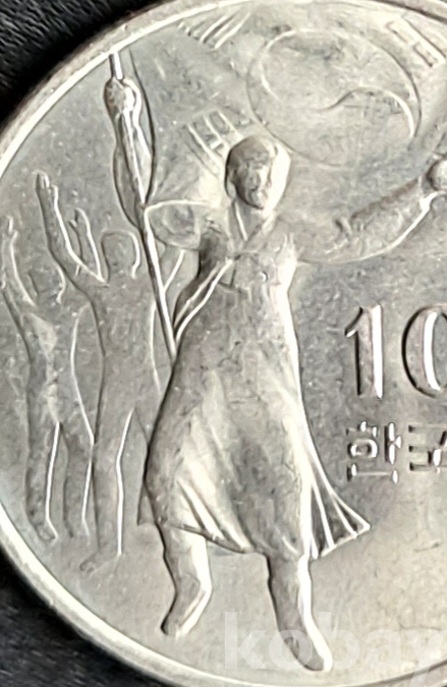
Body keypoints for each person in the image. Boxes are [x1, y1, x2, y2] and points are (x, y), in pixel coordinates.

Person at [35, 174, 156, 572]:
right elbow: (64, 255)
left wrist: (157, 210)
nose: (115, 257)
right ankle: (109, 547)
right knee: (104, 461)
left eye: (120, 251)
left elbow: (172, 248)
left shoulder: (147, 286)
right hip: (118, 385)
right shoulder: (105, 292)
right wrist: (49, 208)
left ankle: (196, 534)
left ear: (133, 257)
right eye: (110, 252)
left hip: (144, 383)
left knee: (167, 458)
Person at [0, 217, 93, 541]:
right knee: (42, 451)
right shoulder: (30, 314)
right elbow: (10, 284)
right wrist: (5, 246)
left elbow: (88, 280)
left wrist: (82, 236)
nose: (54, 283)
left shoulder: (69, 311)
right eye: (47, 280)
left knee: (83, 447)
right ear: (40, 287)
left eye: (54, 279)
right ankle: (37, 517)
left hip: (67, 390)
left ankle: (74, 518)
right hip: (42, 391)